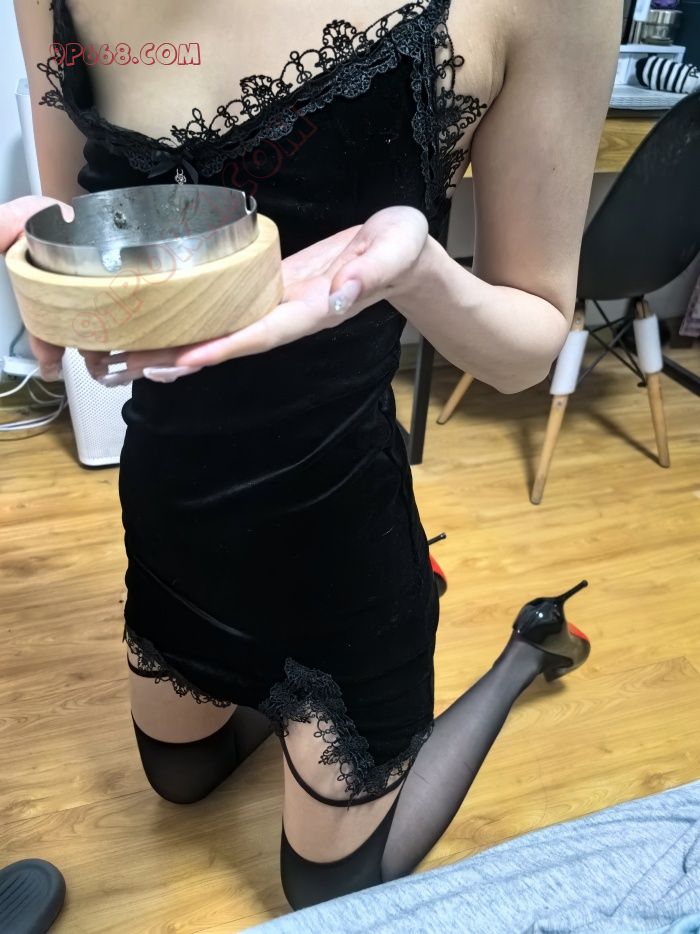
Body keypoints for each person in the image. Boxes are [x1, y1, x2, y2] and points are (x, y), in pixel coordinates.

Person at [6, 0, 621, 913]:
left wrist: (418, 274)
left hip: (339, 540)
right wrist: (51, 262)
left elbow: (526, 350)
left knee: (328, 889)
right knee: (179, 778)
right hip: (175, 521)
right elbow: (80, 216)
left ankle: (526, 651)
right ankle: (293, 675)